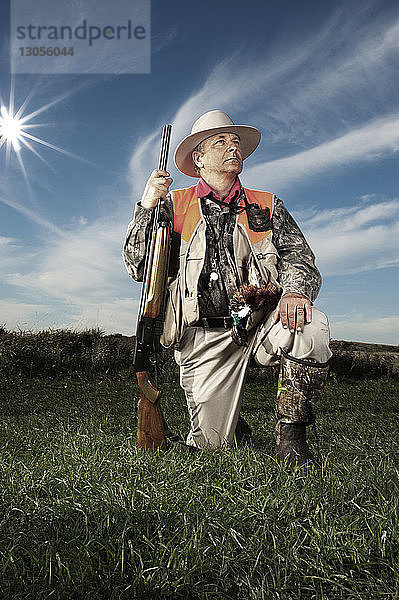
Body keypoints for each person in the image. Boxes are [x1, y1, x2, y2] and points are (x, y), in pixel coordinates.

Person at [123, 110, 332, 466]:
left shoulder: (267, 204)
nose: (232, 146)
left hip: (262, 322)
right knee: (211, 448)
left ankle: (291, 436)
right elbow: (137, 266)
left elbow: (301, 258)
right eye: (220, 141)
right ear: (199, 158)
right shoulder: (173, 206)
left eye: (235, 141)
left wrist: (295, 292)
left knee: (310, 326)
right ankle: (232, 422)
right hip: (203, 338)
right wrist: (145, 206)